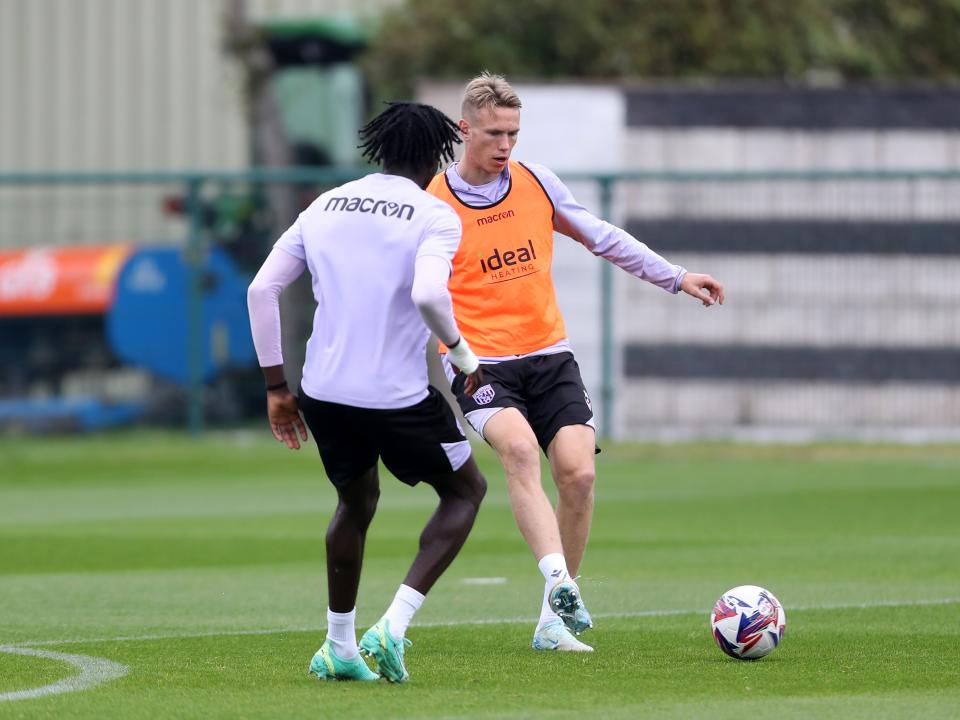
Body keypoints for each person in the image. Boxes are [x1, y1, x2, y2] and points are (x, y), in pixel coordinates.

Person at [426, 72, 725, 653]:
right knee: (516, 451)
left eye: (513, 132)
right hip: (479, 362)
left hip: (549, 356)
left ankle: (552, 622)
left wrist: (677, 277)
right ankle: (561, 582)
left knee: (579, 474)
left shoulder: (536, 182)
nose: (505, 145)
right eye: (493, 133)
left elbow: (603, 236)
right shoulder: (433, 203)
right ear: (465, 129)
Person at [247, 102, 487, 683]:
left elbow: (261, 291)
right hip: (397, 398)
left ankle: (340, 646)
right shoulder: (435, 214)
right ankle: (393, 627)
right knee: (465, 492)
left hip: (323, 393)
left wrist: (277, 388)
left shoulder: (324, 205)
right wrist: (462, 356)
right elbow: (431, 296)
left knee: (354, 504)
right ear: (437, 155)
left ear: (378, 150)